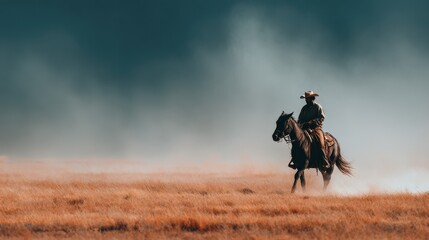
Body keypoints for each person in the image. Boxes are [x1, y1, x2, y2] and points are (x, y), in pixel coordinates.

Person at [289, 90, 330, 170]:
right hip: (304, 128)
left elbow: (322, 117)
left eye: (307, 98)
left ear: (312, 98)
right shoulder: (304, 108)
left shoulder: (317, 107)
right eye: (305, 99)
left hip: (316, 128)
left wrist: (312, 122)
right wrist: (301, 124)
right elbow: (300, 119)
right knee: (297, 141)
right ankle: (294, 159)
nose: (306, 100)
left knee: (320, 142)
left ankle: (324, 161)